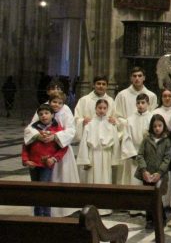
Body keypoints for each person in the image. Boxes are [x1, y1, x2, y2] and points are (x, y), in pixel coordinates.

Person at [22, 86, 80, 217]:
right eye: (54, 102)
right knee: (41, 184)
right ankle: (41, 212)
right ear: (50, 101)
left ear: (63, 103)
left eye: (60, 103)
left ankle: (59, 210)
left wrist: (55, 137)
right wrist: (38, 136)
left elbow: (71, 130)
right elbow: (30, 128)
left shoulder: (66, 110)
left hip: (60, 150)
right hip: (41, 153)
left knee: (57, 181)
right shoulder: (43, 109)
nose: (57, 105)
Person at [75, 98, 122, 215]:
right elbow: (84, 143)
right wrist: (85, 160)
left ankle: (105, 207)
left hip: (106, 155)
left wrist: (114, 160)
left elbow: (115, 142)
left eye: (104, 108)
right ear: (95, 109)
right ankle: (93, 208)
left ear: (108, 109)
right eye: (99, 108)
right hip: (93, 155)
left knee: (106, 180)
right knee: (92, 181)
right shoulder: (90, 124)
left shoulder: (111, 124)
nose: (102, 110)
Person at [22, 104, 69, 216]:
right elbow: (25, 145)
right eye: (41, 114)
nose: (44, 116)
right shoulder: (32, 129)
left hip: (47, 164)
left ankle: (46, 214)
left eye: (47, 113)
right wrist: (26, 160)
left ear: (52, 115)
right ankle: (37, 214)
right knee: (35, 189)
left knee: (44, 188)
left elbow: (64, 146)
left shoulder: (57, 129)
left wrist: (54, 159)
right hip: (33, 164)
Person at [135, 114, 171, 229]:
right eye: (155, 126)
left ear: (163, 126)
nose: (157, 128)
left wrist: (160, 172)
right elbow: (140, 155)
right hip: (147, 174)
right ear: (151, 127)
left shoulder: (167, 141)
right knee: (148, 197)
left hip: (159, 175)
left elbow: (167, 158)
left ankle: (161, 218)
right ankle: (149, 219)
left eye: (159, 125)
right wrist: (144, 170)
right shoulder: (146, 140)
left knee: (157, 197)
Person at [120, 93, 154, 189]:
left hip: (148, 155)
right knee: (133, 181)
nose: (140, 105)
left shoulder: (152, 118)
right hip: (134, 156)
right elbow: (126, 138)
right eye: (138, 103)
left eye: (143, 102)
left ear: (148, 104)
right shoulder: (130, 119)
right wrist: (134, 155)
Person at [74, 76, 117, 142]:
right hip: (88, 139)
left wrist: (114, 121)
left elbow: (115, 119)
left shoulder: (111, 101)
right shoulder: (84, 100)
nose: (101, 86)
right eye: (98, 83)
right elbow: (76, 119)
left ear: (107, 86)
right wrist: (83, 121)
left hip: (106, 139)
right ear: (94, 85)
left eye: (103, 84)